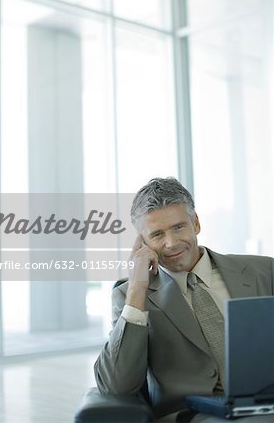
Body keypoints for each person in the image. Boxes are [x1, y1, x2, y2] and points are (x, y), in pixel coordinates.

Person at [94, 177, 274, 423]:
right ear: (143, 243)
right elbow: (116, 385)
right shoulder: (130, 295)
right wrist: (137, 289)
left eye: (179, 227)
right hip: (195, 414)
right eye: (157, 234)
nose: (172, 243)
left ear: (196, 223)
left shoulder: (264, 271)